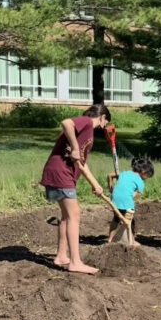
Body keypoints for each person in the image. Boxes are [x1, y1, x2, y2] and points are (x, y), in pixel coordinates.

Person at [39, 105, 110, 275]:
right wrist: (76, 148)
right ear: (102, 117)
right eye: (105, 122)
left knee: (66, 216)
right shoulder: (85, 122)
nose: (103, 127)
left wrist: (96, 185)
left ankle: (62, 256)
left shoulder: (84, 133)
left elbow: (82, 164)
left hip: (62, 173)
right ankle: (75, 262)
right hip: (60, 173)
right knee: (74, 214)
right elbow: (66, 123)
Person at [106, 157, 155, 246]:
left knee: (116, 219)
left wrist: (110, 188)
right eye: (147, 175)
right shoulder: (140, 182)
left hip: (114, 200)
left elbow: (109, 175)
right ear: (144, 171)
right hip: (126, 202)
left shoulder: (124, 173)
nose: (146, 178)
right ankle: (132, 241)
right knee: (130, 221)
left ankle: (110, 238)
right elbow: (133, 195)